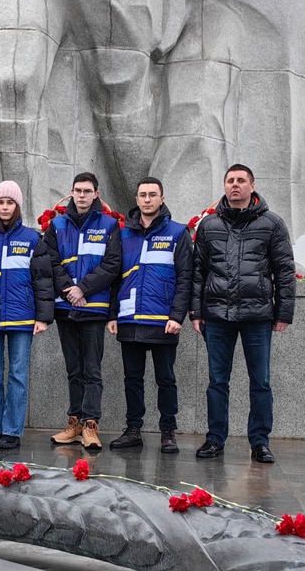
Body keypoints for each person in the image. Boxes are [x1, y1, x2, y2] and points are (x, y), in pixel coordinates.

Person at [190, 163, 296, 464]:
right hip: (217, 316)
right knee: (216, 382)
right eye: (230, 181)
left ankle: (260, 442)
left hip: (257, 316)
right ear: (224, 186)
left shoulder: (272, 224)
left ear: (252, 185)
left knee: (260, 381)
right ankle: (214, 439)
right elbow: (198, 273)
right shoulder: (209, 226)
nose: (235, 185)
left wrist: (283, 313)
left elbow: (284, 271)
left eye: (240, 180)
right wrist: (196, 312)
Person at [107, 177, 192, 453]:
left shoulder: (178, 233)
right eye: (142, 194)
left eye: (152, 195)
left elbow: (185, 278)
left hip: (162, 321)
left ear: (162, 199)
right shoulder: (122, 234)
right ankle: (134, 429)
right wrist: (112, 315)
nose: (147, 199)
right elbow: (114, 277)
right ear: (136, 199)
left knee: (165, 379)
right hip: (130, 319)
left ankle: (168, 431)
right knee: (132, 379)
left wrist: (177, 317)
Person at [42, 172, 121, 450]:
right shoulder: (57, 224)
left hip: (93, 307)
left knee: (92, 369)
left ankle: (90, 425)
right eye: (78, 190)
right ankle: (74, 422)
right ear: (72, 192)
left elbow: (112, 264)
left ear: (96, 193)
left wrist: (82, 289)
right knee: (73, 369)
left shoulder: (110, 225)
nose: (82, 195)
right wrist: (68, 290)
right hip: (66, 308)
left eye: (88, 191)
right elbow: (51, 261)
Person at [0, 181, 55, 450]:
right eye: (0, 202)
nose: (5, 207)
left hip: (23, 318)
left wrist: (43, 317)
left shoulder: (32, 238)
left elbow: (43, 280)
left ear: (17, 206)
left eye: (10, 203)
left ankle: (12, 430)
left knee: (18, 374)